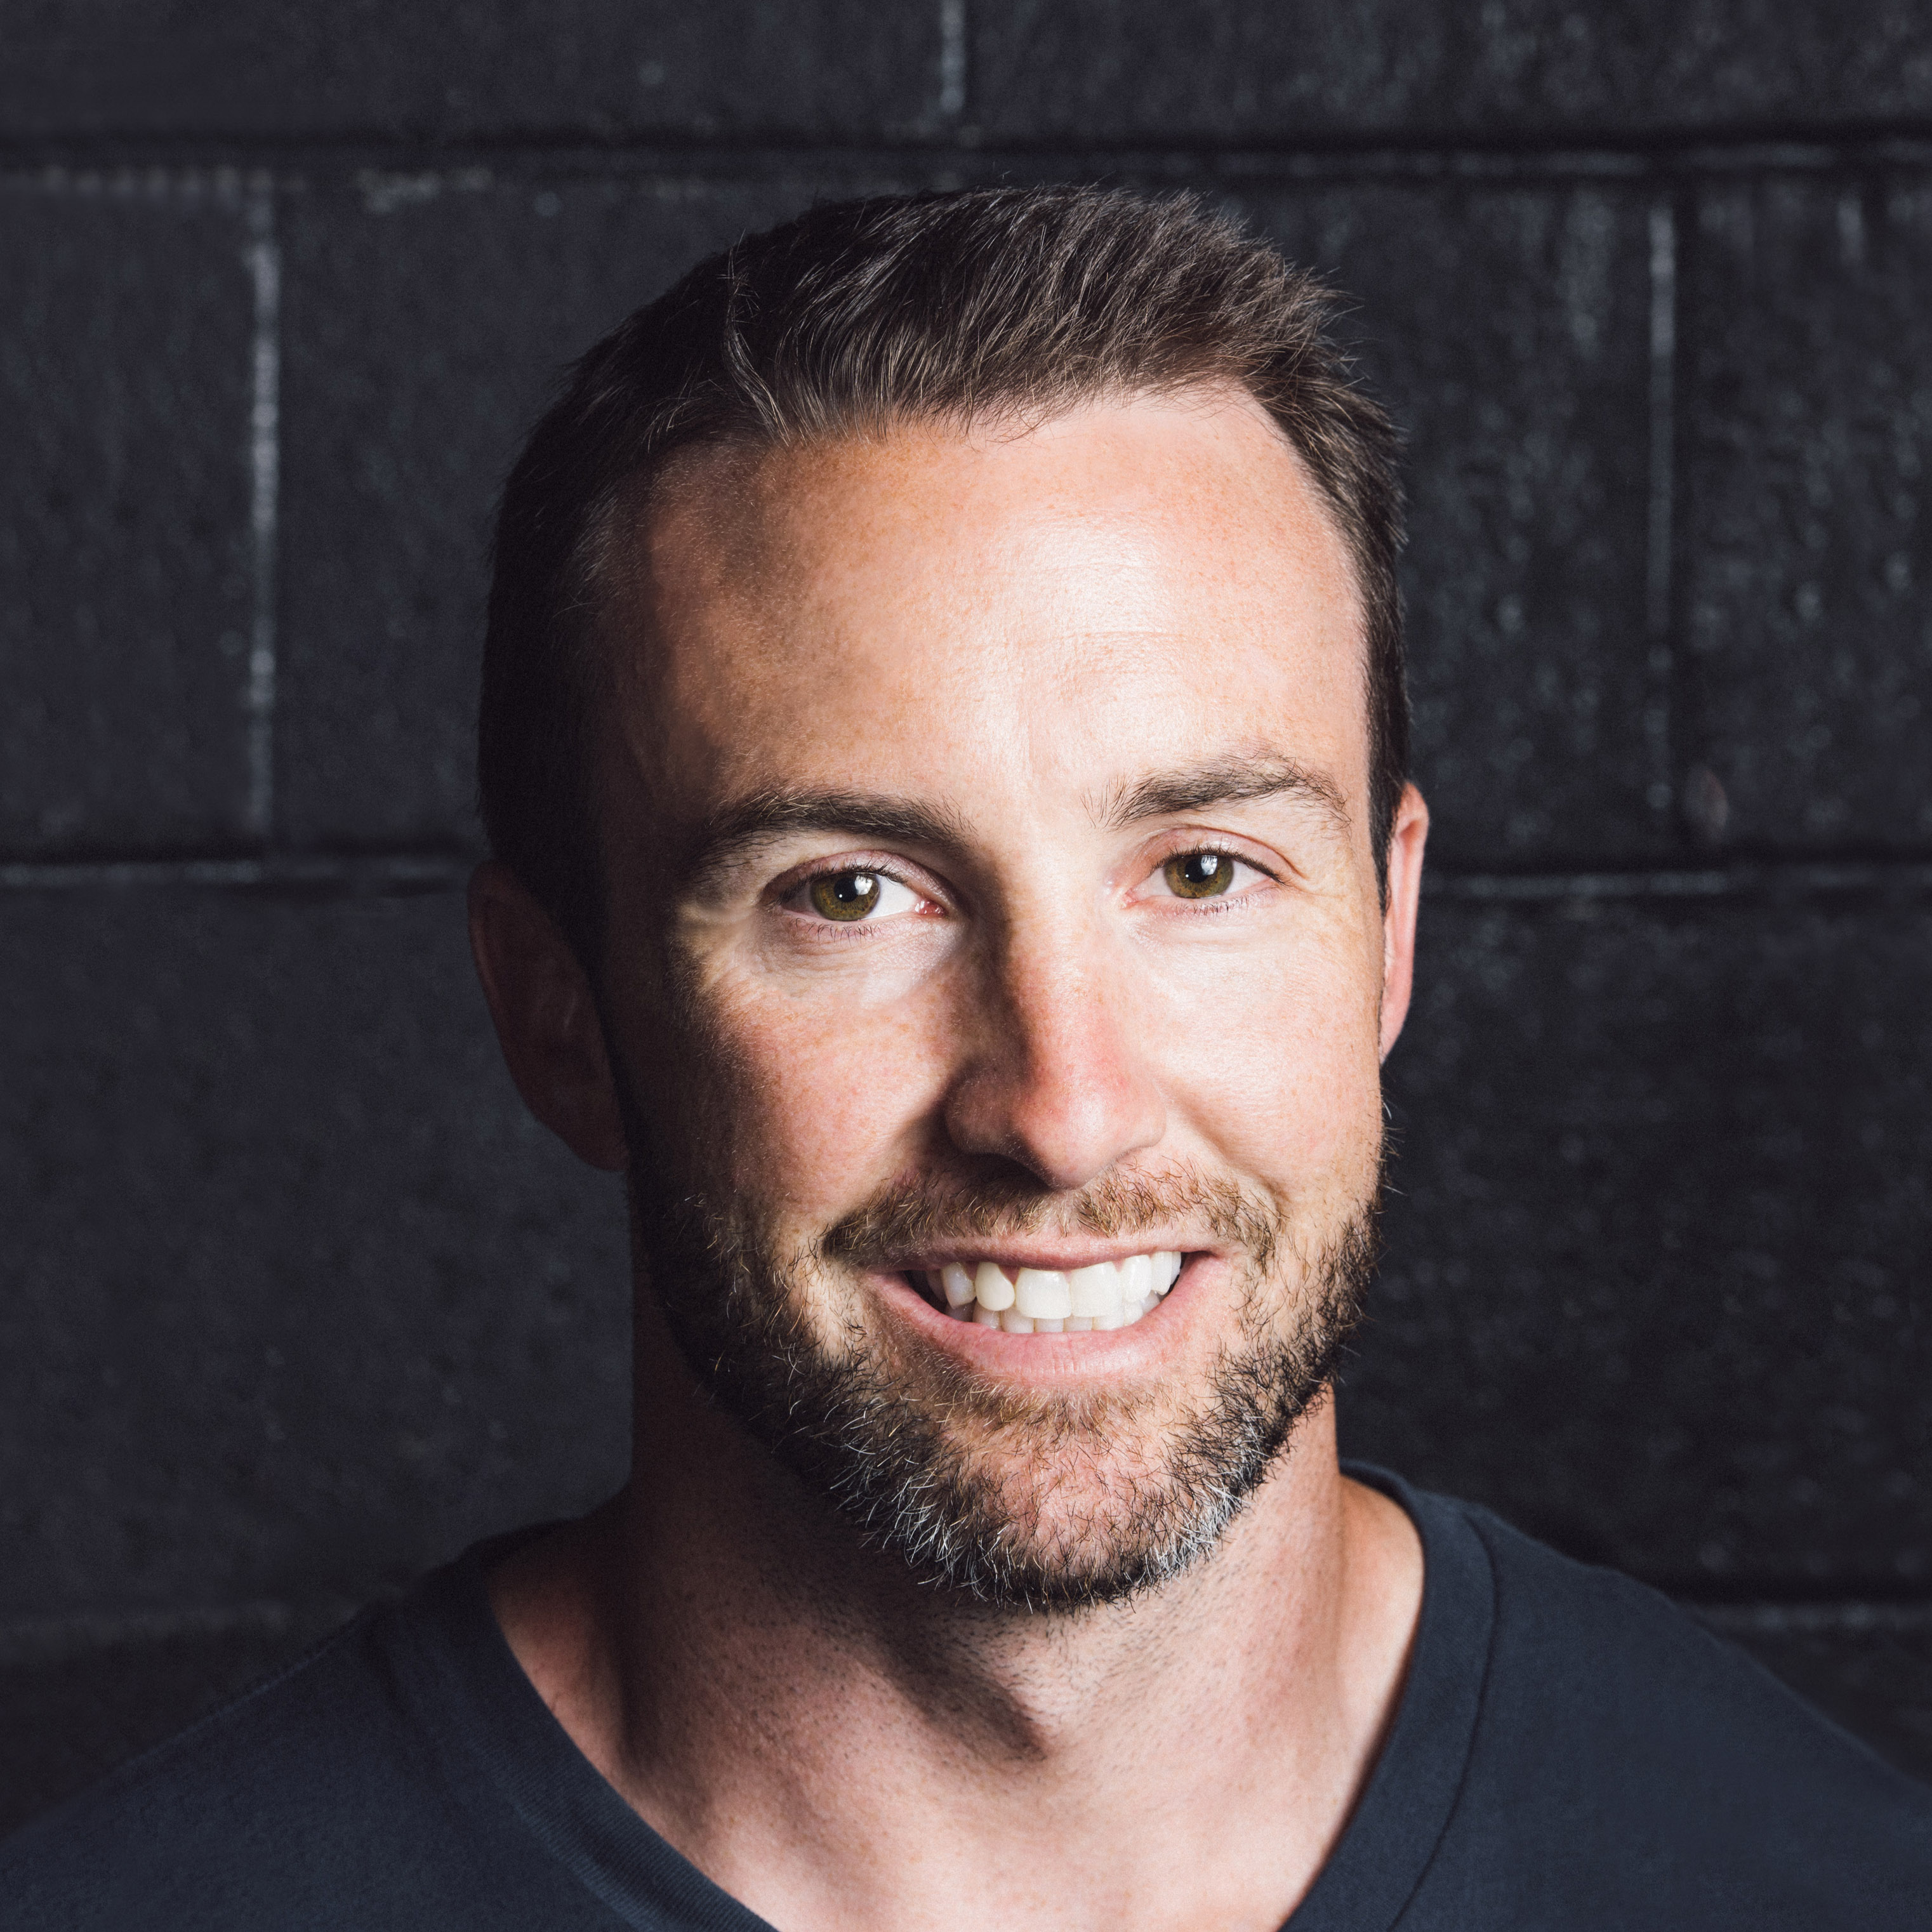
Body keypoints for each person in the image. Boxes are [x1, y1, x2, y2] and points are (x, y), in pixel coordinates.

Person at [4, 185, 1927, 1931]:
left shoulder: (1815, 1880)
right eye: (850, 894)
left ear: (1387, 929)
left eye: (1202, 869)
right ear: (558, 1012)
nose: (1063, 1107)